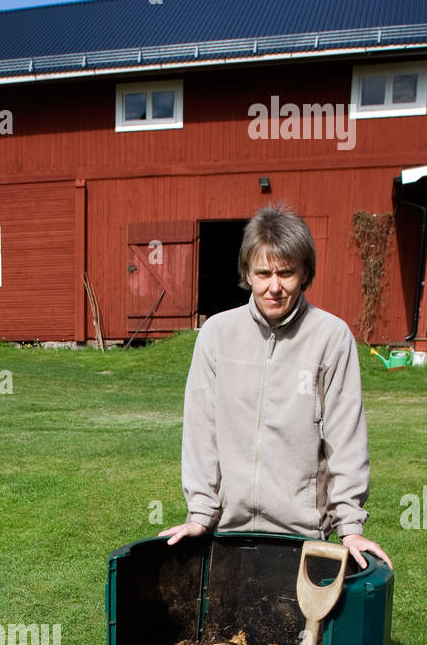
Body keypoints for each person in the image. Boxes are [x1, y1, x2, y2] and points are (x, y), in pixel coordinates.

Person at [158, 205, 393, 571]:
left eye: (286, 273)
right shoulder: (217, 336)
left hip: (303, 538)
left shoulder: (331, 338)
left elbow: (345, 438)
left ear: (305, 273)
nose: (274, 286)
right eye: (263, 273)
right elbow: (201, 431)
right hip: (227, 535)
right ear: (247, 273)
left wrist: (350, 527)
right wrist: (201, 512)